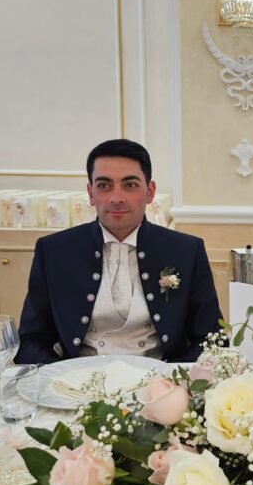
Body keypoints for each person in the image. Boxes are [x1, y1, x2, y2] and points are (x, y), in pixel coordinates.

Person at [16, 139, 222, 364]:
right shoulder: (54, 251)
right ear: (90, 193)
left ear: (150, 192)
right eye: (104, 185)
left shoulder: (187, 251)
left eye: (130, 185)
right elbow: (30, 341)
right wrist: (64, 376)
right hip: (78, 380)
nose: (116, 198)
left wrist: (173, 378)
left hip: (160, 380)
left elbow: (212, 340)